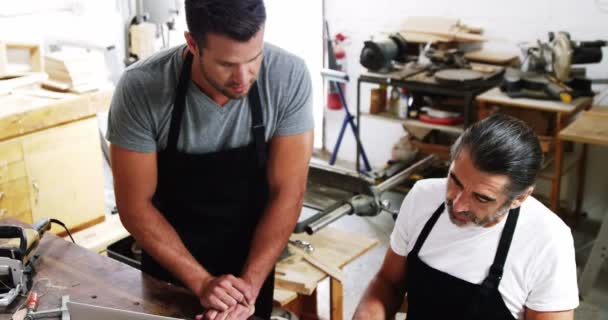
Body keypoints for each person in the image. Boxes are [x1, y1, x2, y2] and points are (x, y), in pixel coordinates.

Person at [106, 0, 314, 319]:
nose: (243, 77)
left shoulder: (289, 76)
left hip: (251, 261)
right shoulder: (141, 88)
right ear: (192, 44)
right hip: (169, 263)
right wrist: (202, 282)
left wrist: (247, 290)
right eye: (226, 64)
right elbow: (134, 206)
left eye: (254, 58)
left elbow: (288, 193)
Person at [353, 114, 579, 320]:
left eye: (481, 198)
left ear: (519, 198)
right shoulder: (423, 197)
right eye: (455, 181)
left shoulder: (549, 240)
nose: (458, 204)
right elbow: (389, 283)